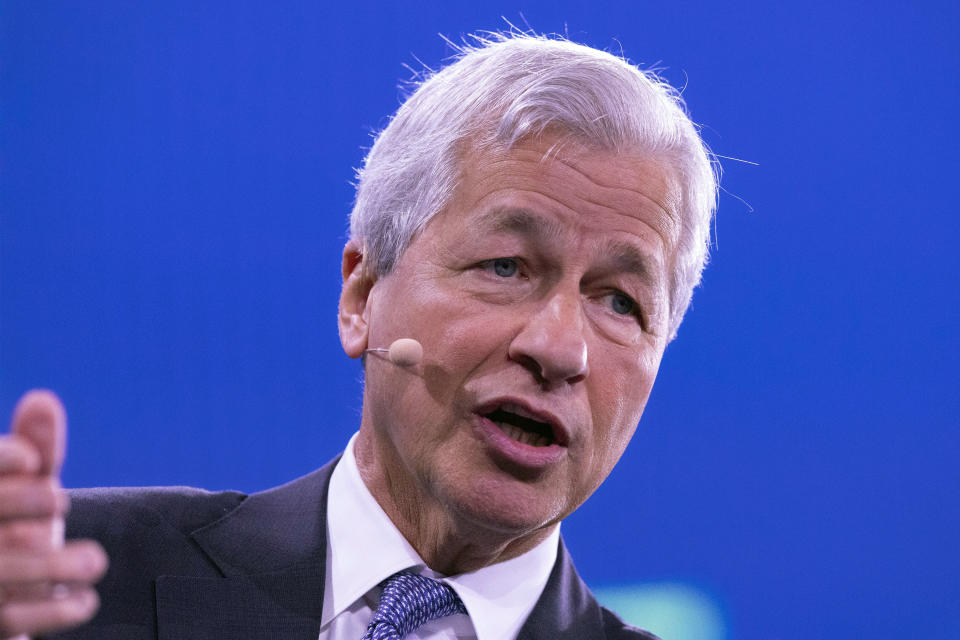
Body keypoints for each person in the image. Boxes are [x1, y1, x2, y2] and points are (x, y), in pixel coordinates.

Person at [0, 32, 717, 639]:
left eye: (621, 302)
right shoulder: (70, 592)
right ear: (362, 295)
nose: (561, 349)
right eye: (507, 266)